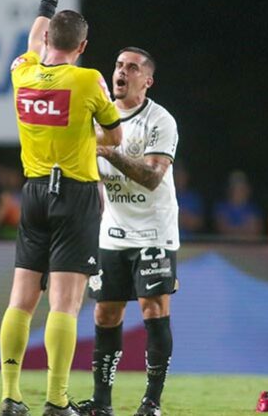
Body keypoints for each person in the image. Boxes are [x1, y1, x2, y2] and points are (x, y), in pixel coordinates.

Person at [0, 0, 122, 416]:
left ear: (49, 39)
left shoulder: (22, 73)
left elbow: (31, 42)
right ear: (83, 46)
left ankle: (11, 396)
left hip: (32, 193)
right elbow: (114, 138)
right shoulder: (88, 80)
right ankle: (56, 399)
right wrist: (90, 127)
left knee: (20, 300)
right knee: (65, 305)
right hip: (76, 195)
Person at [78, 47, 178, 416]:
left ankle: (151, 402)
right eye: (119, 65)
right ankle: (101, 404)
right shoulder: (98, 116)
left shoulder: (159, 120)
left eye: (132, 68)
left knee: (154, 310)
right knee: (105, 313)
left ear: (146, 80)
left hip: (155, 230)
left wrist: (109, 152)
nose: (122, 71)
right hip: (112, 231)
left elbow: (152, 177)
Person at [214, 170, 263, 238]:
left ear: (248, 189)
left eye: (242, 188)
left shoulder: (253, 209)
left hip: (249, 246)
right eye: (235, 188)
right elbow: (223, 229)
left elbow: (255, 231)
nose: (239, 191)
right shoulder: (221, 207)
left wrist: (233, 230)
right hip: (226, 246)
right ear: (229, 190)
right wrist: (244, 230)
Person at [173, 161, 205, 238]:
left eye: (181, 175)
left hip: (190, 243)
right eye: (176, 175)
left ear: (186, 176)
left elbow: (198, 223)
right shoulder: (166, 196)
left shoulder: (194, 198)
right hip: (169, 242)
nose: (179, 178)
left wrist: (179, 218)